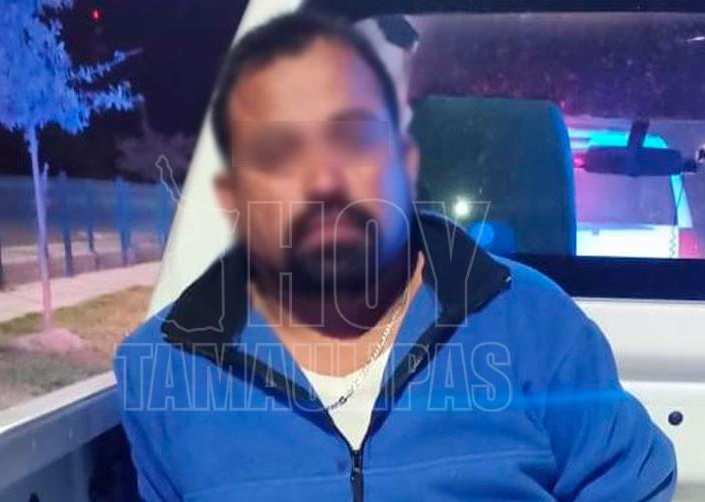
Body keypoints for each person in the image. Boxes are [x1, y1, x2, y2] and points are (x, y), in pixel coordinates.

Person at [114, 12, 676, 501]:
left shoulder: (534, 323)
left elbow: (631, 483)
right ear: (233, 193)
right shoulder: (159, 369)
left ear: (405, 165)